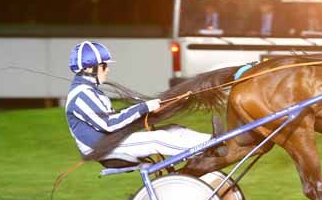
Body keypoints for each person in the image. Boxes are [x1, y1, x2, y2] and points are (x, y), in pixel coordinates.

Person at [65, 40, 223, 164]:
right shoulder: (81, 95)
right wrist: (143, 107)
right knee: (157, 139)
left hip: (108, 140)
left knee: (173, 129)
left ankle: (213, 140)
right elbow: (109, 124)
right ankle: (209, 147)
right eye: (103, 66)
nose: (107, 69)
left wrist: (143, 108)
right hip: (100, 147)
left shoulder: (90, 91)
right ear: (88, 69)